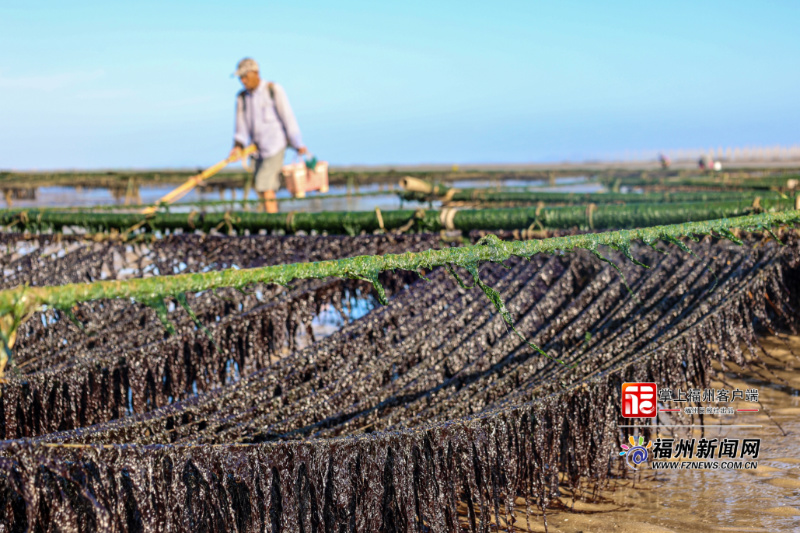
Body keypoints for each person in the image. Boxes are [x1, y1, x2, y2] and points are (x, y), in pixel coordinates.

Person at [229, 57, 308, 213]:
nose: (243, 80)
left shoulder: (273, 90)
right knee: (260, 187)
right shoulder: (242, 97)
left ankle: (273, 225)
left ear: (255, 73)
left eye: (245, 76)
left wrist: (298, 143)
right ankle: (271, 219)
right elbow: (241, 127)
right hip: (257, 150)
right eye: (240, 77)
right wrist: (238, 146)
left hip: (275, 146)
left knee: (265, 185)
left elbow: (288, 117)